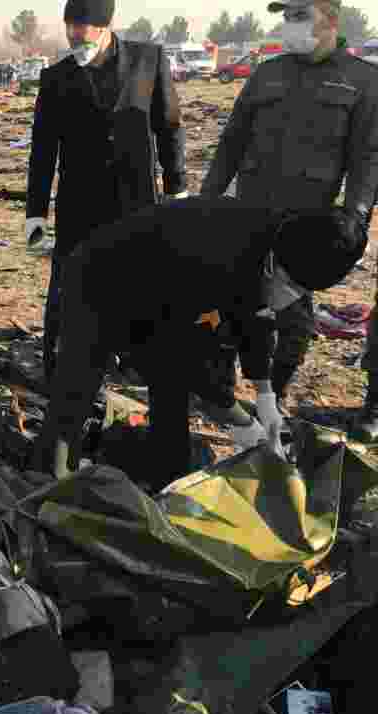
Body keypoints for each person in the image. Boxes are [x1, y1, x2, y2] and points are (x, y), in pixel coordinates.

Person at [35, 197, 367, 492]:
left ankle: (164, 473)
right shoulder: (222, 253)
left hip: (165, 293)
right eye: (288, 282)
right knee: (79, 384)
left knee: (170, 388)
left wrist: (265, 394)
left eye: (300, 289)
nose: (291, 293)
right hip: (102, 279)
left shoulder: (287, 242)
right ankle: (49, 478)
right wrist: (244, 424)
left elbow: (256, 317)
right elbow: (198, 360)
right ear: (276, 261)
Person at [200, 0, 378, 433]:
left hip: (303, 227)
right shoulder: (268, 74)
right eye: (287, 17)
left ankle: (273, 396)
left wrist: (354, 222)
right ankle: (220, 396)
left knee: (293, 324)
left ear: (330, 20)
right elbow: (232, 141)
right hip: (247, 216)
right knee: (225, 308)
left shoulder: (362, 81)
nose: (289, 25)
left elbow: (366, 159)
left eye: (301, 16)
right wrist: (207, 200)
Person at [25, 0, 188, 384]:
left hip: (137, 202)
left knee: (140, 286)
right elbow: (43, 152)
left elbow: (169, 127)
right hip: (79, 206)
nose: (73, 37)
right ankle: (60, 367)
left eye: (81, 31)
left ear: (105, 26)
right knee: (68, 288)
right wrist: (36, 215)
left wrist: (176, 189)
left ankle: (136, 361)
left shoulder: (148, 61)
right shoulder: (56, 78)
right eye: (69, 29)